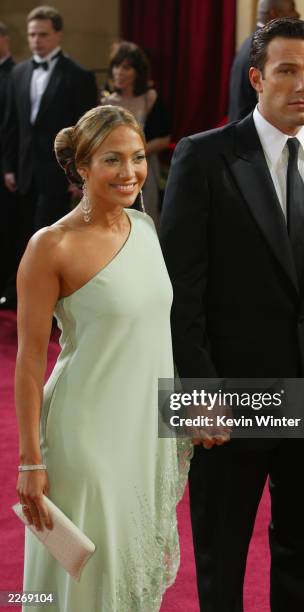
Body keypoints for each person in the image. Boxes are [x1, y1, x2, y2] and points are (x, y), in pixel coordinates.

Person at [161, 18, 304, 612]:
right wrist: (196, 395)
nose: (303, 84)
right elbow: (179, 293)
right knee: (222, 554)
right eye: (287, 70)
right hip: (233, 397)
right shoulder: (202, 158)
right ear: (257, 78)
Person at [15, 105, 191, 611]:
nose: (130, 172)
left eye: (138, 157)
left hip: (142, 431)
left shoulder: (146, 228)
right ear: (82, 167)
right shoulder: (51, 246)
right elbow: (28, 363)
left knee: (131, 571)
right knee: (89, 574)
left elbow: (158, 337)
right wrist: (31, 458)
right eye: (113, 159)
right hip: (84, 437)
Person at [1, 5, 98, 309]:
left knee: (49, 240)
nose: (36, 41)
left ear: (58, 34)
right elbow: (11, 124)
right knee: (21, 235)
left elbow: (85, 132)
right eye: (31, 35)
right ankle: (19, 295)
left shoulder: (79, 76)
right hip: (23, 171)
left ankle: (51, 301)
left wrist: (79, 176)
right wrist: (8, 167)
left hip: (58, 174)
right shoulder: (17, 72)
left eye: (43, 34)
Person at [101, 41, 171, 230]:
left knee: (145, 221)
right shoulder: (106, 102)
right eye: (116, 66)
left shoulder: (150, 98)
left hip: (144, 171)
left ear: (138, 72)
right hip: (111, 173)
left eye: (126, 67)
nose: (119, 72)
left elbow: (165, 139)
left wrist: (133, 154)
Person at [228, 0, 300, 122]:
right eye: (292, 9)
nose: (297, 15)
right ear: (274, 13)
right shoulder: (264, 50)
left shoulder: (253, 43)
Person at [0, 22, 16, 304]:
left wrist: (8, 166)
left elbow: (13, 127)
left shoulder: (16, 73)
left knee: (8, 229)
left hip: (8, 168)